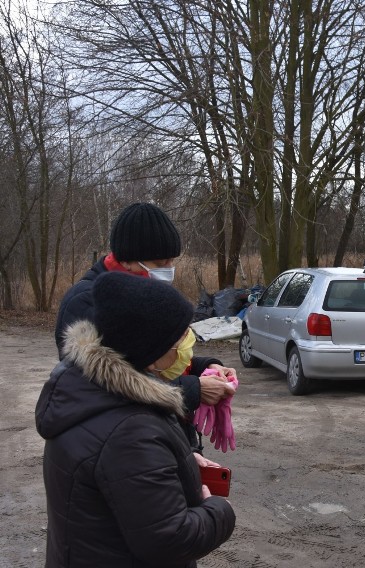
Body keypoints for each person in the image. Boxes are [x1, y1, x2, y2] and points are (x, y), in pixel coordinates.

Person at [36, 271, 236, 566]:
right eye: (180, 338)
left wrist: (180, 459)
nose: (188, 346)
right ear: (151, 353)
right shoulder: (130, 431)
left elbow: (123, 478)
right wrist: (219, 510)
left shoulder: (91, 390)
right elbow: (169, 539)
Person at [54, 202, 235, 457]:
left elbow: (155, 355)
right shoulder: (85, 302)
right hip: (127, 445)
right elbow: (104, 387)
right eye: (160, 262)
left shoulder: (145, 290)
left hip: (164, 430)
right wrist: (193, 389)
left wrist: (205, 367)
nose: (168, 269)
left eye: (171, 260)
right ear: (127, 260)